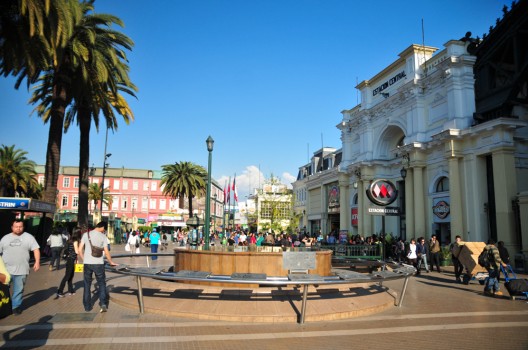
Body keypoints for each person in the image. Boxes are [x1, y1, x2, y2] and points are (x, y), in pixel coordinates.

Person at [0, 219, 41, 315]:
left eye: (20, 227)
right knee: (3, 289)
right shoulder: (5, 238)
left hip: (22, 269)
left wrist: (37, 262)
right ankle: (4, 306)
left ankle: (15, 307)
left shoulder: (29, 237)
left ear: (23, 227)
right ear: (12, 227)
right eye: (16, 226)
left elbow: (36, 250)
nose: (18, 228)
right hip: (5, 270)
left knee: (18, 290)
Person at [78, 221, 117, 313]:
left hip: (87, 264)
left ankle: (87, 307)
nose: (104, 230)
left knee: (87, 285)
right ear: (102, 227)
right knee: (102, 284)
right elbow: (106, 252)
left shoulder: (85, 235)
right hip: (99, 264)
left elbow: (80, 250)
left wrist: (85, 259)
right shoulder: (103, 237)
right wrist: (111, 262)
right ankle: (103, 304)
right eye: (104, 228)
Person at [57, 228, 82, 297]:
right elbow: (77, 251)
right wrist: (80, 246)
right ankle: (60, 291)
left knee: (70, 276)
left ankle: (70, 290)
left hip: (71, 259)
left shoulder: (70, 240)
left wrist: (76, 259)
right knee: (67, 276)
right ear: (78, 233)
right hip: (70, 260)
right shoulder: (75, 241)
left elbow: (73, 251)